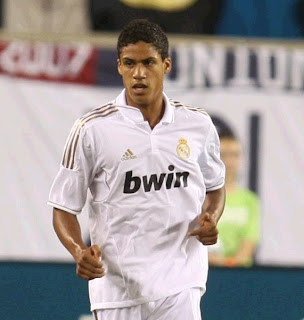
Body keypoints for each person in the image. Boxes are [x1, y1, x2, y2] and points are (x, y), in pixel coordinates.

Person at [48, 19, 225, 320]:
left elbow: (215, 186)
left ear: (166, 65)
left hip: (181, 282)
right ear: (118, 66)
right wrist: (79, 250)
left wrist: (211, 217)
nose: (139, 73)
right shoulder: (92, 129)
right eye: (129, 63)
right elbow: (63, 207)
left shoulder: (197, 125)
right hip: (118, 290)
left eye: (148, 63)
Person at [208, 130, 260, 267]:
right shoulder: (203, 196)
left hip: (240, 275)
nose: (229, 161)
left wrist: (229, 264)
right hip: (208, 271)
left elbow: (249, 244)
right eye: (223, 155)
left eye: (234, 155)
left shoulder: (250, 201)